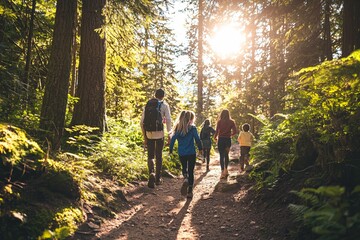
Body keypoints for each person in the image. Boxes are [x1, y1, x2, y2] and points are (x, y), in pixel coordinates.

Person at [140, 89, 172, 188]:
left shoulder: (148, 104)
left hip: (149, 133)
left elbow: (142, 123)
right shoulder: (164, 105)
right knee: (159, 155)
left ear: (155, 95)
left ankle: (151, 174)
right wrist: (169, 135)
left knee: (150, 155)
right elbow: (168, 120)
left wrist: (145, 136)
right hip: (160, 134)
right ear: (163, 96)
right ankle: (158, 179)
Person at [169, 110, 202, 198]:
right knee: (191, 170)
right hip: (191, 152)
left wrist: (170, 149)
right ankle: (190, 192)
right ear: (191, 119)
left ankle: (185, 178)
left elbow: (172, 140)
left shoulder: (177, 128)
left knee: (184, 168)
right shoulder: (193, 128)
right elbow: (197, 139)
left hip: (182, 153)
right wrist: (200, 148)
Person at [214, 109, 237, 179]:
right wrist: (230, 135)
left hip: (221, 140)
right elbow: (235, 131)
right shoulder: (232, 122)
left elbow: (217, 131)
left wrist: (215, 137)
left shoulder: (219, 122)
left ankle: (222, 171)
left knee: (221, 155)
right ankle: (226, 169)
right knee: (226, 154)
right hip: (227, 140)